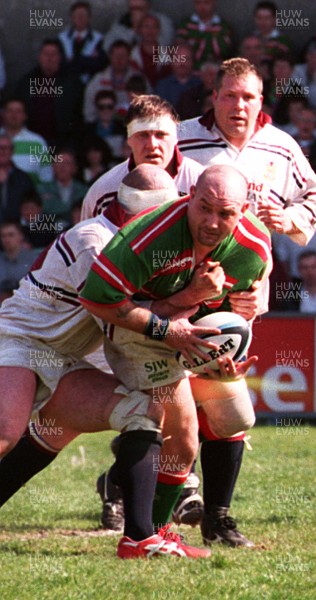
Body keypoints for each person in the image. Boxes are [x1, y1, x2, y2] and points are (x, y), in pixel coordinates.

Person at [0, 165, 218, 559]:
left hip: (69, 355)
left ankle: (138, 540)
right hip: (19, 341)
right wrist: (188, 301)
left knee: (142, 413)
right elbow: (121, 315)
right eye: (167, 214)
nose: (174, 223)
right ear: (147, 215)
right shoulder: (95, 242)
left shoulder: (142, 245)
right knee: (6, 431)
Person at [80, 164, 271, 556]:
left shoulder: (252, 248)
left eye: (226, 214)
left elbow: (234, 310)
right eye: (205, 207)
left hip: (188, 333)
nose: (213, 222)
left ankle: (141, 486)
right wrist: (170, 328)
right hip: (136, 331)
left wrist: (225, 355)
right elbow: (97, 299)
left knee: (235, 417)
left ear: (244, 210)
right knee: (183, 436)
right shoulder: (148, 237)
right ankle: (152, 535)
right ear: (190, 196)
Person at [177, 56, 316, 545]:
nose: (240, 105)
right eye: (231, 95)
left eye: (250, 97)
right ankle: (141, 486)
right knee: (167, 396)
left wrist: (289, 221)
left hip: (242, 296)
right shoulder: (180, 139)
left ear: (261, 102)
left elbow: (314, 194)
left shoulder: (280, 146)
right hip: (176, 287)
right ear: (213, 97)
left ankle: (216, 516)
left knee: (224, 397)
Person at [80, 94, 204, 220]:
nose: (152, 145)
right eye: (143, 135)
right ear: (129, 140)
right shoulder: (103, 192)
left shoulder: (200, 183)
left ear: (176, 138)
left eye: (161, 135)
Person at [14, 39, 82, 147]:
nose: (49, 58)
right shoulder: (26, 82)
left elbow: (78, 119)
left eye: (53, 54)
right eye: (46, 54)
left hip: (63, 144)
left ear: (60, 57)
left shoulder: (72, 84)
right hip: (31, 143)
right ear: (39, 57)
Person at [83, 39, 145, 123]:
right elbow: (89, 113)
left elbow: (149, 106)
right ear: (110, 56)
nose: (119, 59)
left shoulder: (139, 78)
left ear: (129, 57)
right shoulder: (98, 80)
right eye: (116, 55)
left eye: (123, 55)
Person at [0, 98, 53, 185]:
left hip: (29, 194)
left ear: (25, 115)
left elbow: (46, 173)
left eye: (18, 111)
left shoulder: (37, 142)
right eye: (10, 111)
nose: (14, 115)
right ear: (3, 114)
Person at [58, 0, 107, 85]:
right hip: (66, 83)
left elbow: (99, 64)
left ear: (89, 18)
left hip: (89, 84)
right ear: (72, 18)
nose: (80, 19)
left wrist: (74, 62)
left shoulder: (98, 39)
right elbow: (60, 63)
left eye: (83, 15)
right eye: (77, 16)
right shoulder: (62, 38)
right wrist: (87, 60)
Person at [37, 149, 88, 228]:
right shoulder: (42, 189)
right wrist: (71, 211)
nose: (62, 167)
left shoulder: (84, 190)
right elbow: (45, 210)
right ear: (53, 166)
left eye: (67, 163)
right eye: (59, 162)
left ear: (74, 168)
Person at [176, 0, 233, 70]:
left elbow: (225, 51)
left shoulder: (223, 26)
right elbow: (180, 49)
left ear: (214, 2)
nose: (202, 7)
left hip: (216, 69)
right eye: (198, 3)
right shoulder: (185, 25)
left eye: (207, 3)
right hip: (191, 70)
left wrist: (198, 40)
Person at [103, 0, 174, 52]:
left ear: (148, 4)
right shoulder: (121, 23)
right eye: (134, 8)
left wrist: (146, 28)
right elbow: (107, 47)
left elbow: (168, 45)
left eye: (140, 8)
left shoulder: (163, 21)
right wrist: (134, 29)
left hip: (157, 65)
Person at [0, 221, 39, 303]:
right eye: (3, 236)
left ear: (20, 236)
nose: (7, 239)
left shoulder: (34, 260)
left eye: (11, 235)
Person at [154, 44, 202, 111]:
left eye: (187, 58)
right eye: (178, 58)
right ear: (171, 61)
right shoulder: (162, 86)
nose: (182, 63)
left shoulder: (200, 84)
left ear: (192, 62)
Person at [0, 134, 35, 224]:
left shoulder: (23, 178)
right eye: (0, 147)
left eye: (6, 148)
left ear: (12, 151)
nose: (2, 151)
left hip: (17, 229)